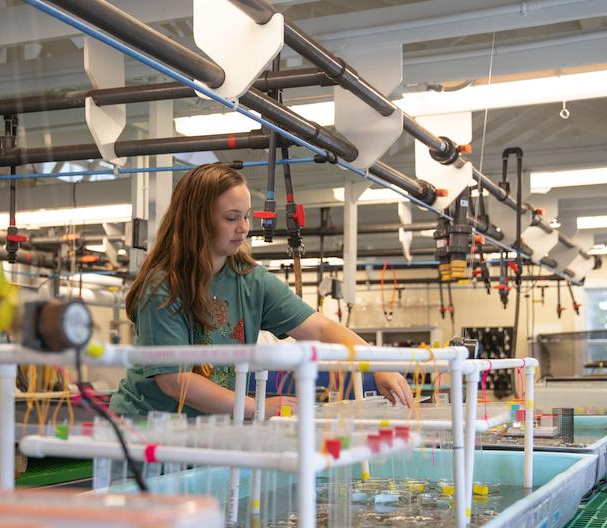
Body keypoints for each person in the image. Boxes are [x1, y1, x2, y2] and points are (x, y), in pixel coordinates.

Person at [110, 163, 413, 418]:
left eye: (246, 215)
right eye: (231, 218)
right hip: (146, 431)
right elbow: (175, 380)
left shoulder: (250, 280)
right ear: (198, 221)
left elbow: (321, 329)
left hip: (209, 429)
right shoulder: (163, 287)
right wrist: (258, 408)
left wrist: (378, 365)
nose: (243, 227)